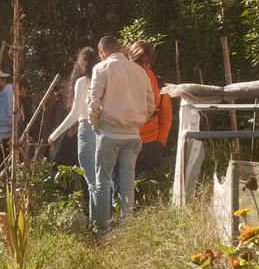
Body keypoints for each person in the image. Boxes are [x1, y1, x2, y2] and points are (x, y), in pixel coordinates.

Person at [86, 35, 156, 234]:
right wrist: (138, 122)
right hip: (133, 136)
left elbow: (93, 102)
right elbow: (151, 104)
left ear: (102, 53)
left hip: (109, 133)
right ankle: (128, 233)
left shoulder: (102, 68)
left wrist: (95, 124)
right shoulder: (140, 71)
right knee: (127, 184)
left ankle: (101, 233)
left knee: (102, 183)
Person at [47, 47, 101, 200]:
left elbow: (75, 113)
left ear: (81, 64)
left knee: (91, 183)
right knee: (102, 180)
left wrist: (55, 134)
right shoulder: (103, 79)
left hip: (87, 131)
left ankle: (95, 220)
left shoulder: (81, 82)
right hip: (103, 130)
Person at [128, 41, 173, 176]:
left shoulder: (159, 83)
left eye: (147, 62)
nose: (143, 66)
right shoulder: (120, 81)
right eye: (139, 61)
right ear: (130, 59)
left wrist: (161, 141)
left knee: (149, 190)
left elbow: (166, 115)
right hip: (124, 141)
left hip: (151, 144)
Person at [0, 69, 15, 162]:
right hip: (0, 134)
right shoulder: (2, 93)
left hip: (6, 136)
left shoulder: (9, 92)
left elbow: (11, 117)